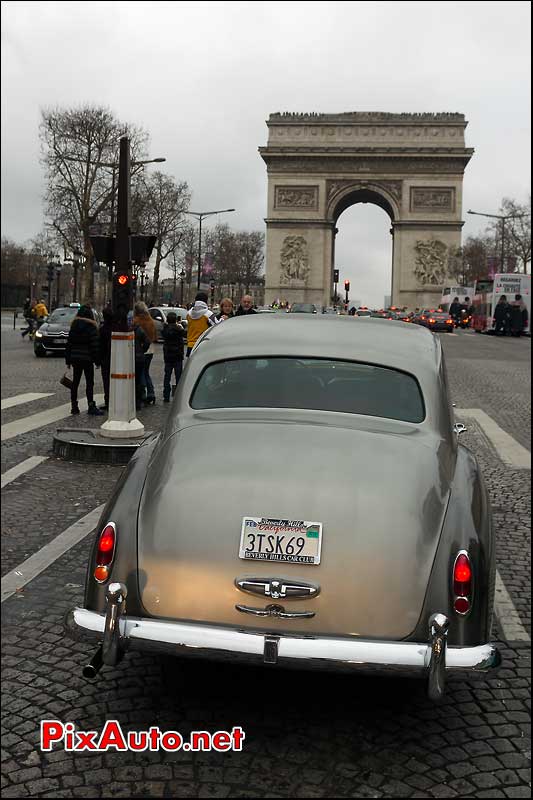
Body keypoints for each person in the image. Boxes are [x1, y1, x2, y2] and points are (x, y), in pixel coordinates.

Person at [65, 305, 103, 416]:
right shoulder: (91, 327)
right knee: (89, 383)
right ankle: (91, 405)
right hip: (87, 359)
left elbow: (69, 345)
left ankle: (74, 406)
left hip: (75, 358)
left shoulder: (74, 326)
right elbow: (94, 345)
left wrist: (68, 360)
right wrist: (97, 361)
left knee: (75, 383)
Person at [133, 302, 158, 404]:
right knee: (146, 371)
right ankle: (151, 392)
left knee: (141, 373)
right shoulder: (151, 320)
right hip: (150, 348)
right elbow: (155, 336)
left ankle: (142, 393)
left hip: (141, 348)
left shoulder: (137, 321)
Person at [161, 311, 185, 402]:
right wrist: (180, 325)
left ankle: (166, 395)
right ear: (175, 320)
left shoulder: (165, 330)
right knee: (178, 376)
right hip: (178, 355)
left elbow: (163, 333)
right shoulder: (179, 329)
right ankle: (178, 395)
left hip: (168, 355)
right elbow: (185, 333)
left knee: (167, 376)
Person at [186, 291, 218, 356]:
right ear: (206, 301)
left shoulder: (189, 313)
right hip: (202, 345)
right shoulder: (208, 314)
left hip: (190, 345)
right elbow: (217, 326)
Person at [133, 318, 151, 410]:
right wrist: (142, 350)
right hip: (139, 357)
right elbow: (147, 341)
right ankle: (138, 401)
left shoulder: (128, 330)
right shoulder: (139, 330)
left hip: (132, 357)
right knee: (139, 380)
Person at [98, 305, 113, 410]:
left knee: (107, 381)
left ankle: (108, 401)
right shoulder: (117, 327)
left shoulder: (103, 329)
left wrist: (98, 359)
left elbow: (100, 346)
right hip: (116, 358)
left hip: (105, 359)